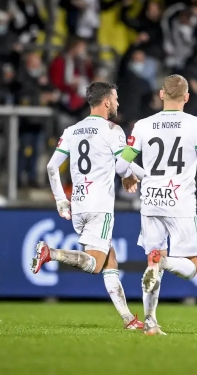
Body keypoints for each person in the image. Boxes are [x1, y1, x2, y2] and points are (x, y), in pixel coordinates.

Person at [31, 82, 145, 330]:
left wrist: (61, 199)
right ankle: (51, 253)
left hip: (79, 204)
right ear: (106, 101)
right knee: (95, 264)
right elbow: (123, 164)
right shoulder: (113, 130)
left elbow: (51, 167)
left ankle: (128, 319)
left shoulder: (72, 130)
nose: (117, 103)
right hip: (100, 206)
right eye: (115, 99)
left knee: (110, 259)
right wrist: (143, 176)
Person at [119, 74, 197, 335]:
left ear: (161, 95)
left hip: (151, 201)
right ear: (187, 97)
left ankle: (150, 322)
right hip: (181, 203)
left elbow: (121, 165)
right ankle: (164, 262)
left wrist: (135, 176)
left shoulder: (143, 125)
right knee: (192, 268)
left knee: (151, 263)